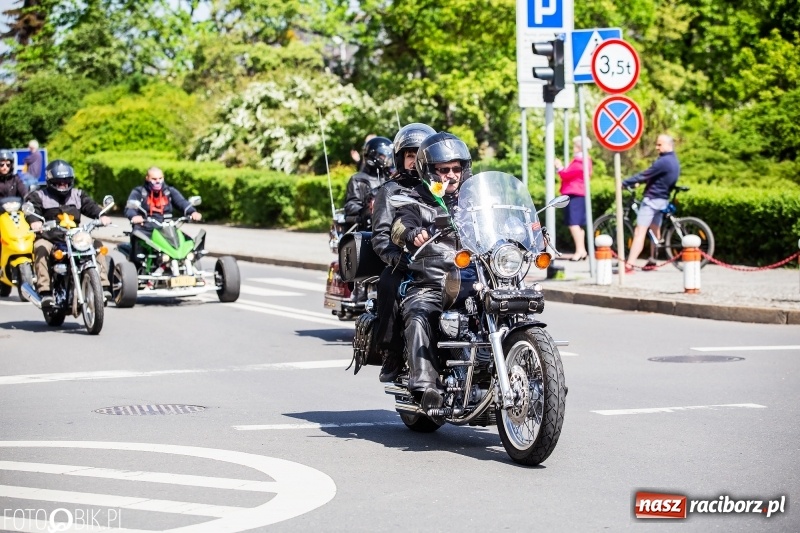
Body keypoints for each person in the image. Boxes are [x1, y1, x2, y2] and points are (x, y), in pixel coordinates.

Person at [390, 131, 473, 413]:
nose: (451, 175)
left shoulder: (474, 202)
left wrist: (527, 231)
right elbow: (399, 226)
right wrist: (412, 233)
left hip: (476, 280)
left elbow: (501, 221)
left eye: (456, 169)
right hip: (432, 281)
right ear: (429, 171)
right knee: (418, 313)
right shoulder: (414, 199)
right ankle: (426, 387)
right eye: (444, 170)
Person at [371, 123, 436, 382]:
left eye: (420, 155)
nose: (415, 160)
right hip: (405, 260)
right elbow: (380, 237)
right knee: (389, 283)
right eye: (410, 155)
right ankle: (392, 352)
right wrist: (398, 259)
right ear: (401, 158)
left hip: (443, 260)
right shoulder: (390, 190)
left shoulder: (441, 187)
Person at [26, 160, 111, 308]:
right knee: (41, 247)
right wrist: (35, 221)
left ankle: (102, 286)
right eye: (58, 182)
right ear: (50, 181)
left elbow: (91, 206)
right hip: (50, 237)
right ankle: (45, 291)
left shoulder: (78, 194)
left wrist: (101, 216)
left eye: (66, 182)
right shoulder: (39, 195)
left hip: (74, 237)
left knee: (97, 246)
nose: (63, 185)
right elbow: (31, 210)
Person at [622, 134, 680, 271]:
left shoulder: (663, 161)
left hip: (652, 200)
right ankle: (653, 261)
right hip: (662, 199)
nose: (657, 147)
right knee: (655, 230)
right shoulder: (674, 161)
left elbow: (645, 174)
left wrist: (625, 183)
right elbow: (656, 178)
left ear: (668, 145)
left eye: (659, 145)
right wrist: (640, 182)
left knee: (639, 232)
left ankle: (629, 265)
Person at [124, 167, 202, 270]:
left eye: (160, 178)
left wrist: (192, 212)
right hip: (146, 228)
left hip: (166, 227)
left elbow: (182, 202)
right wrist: (134, 216)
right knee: (137, 240)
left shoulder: (169, 191)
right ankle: (138, 268)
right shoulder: (139, 192)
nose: (158, 182)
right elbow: (130, 207)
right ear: (147, 178)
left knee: (188, 242)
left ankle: (186, 263)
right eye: (154, 179)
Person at [554, 136, 592, 261]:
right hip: (579, 193)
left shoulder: (580, 162)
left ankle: (579, 250)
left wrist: (559, 167)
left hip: (574, 193)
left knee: (573, 223)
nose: (573, 148)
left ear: (580, 147)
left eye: (575, 146)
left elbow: (566, 175)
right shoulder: (585, 160)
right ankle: (582, 250)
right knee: (578, 224)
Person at [343, 136, 393, 231]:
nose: (387, 159)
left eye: (389, 156)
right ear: (373, 156)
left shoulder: (390, 177)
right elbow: (350, 206)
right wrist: (367, 209)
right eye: (383, 156)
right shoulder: (357, 179)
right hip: (366, 228)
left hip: (389, 224)